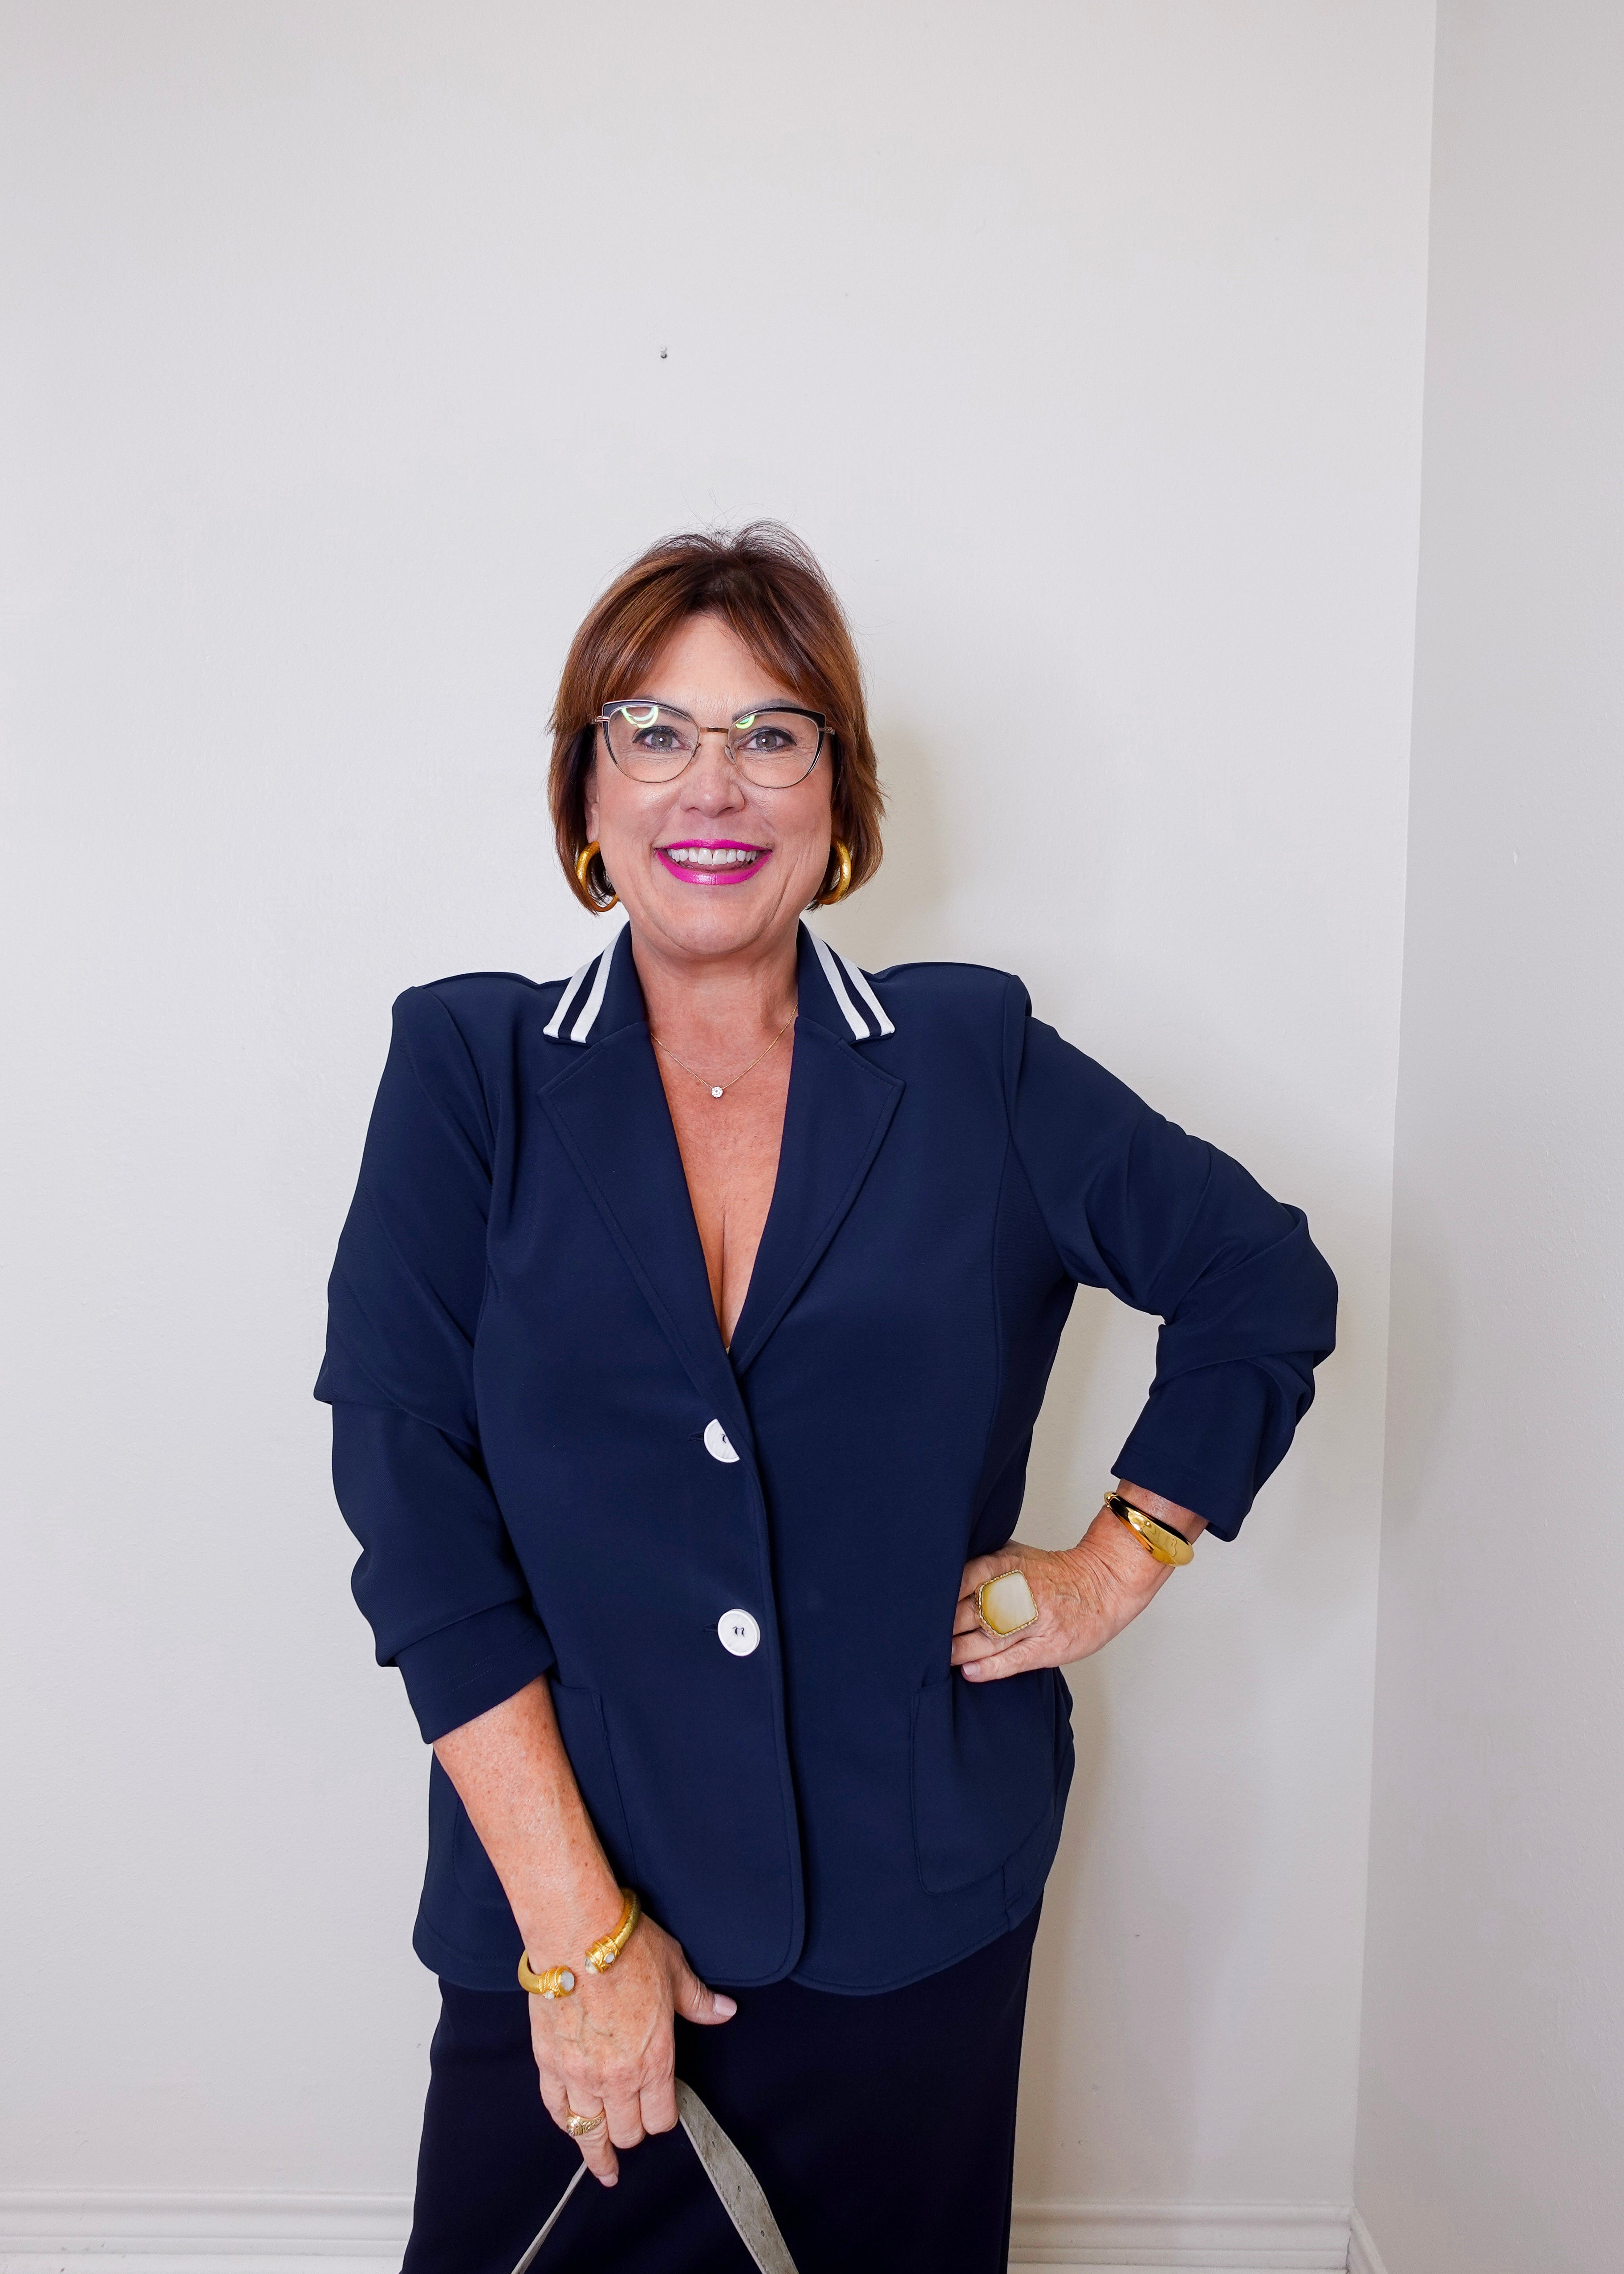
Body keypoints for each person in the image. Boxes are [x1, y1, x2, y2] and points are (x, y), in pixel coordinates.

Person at [317, 525, 1337, 2273]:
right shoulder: (466, 1069)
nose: (714, 780)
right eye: (654, 729)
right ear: (584, 782)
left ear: (840, 790)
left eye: (774, 732)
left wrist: (1120, 1552)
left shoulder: (974, 1061)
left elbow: (1266, 1276)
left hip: (912, 1913)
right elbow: (409, 1496)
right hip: (568, 1908)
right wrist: (578, 1935)